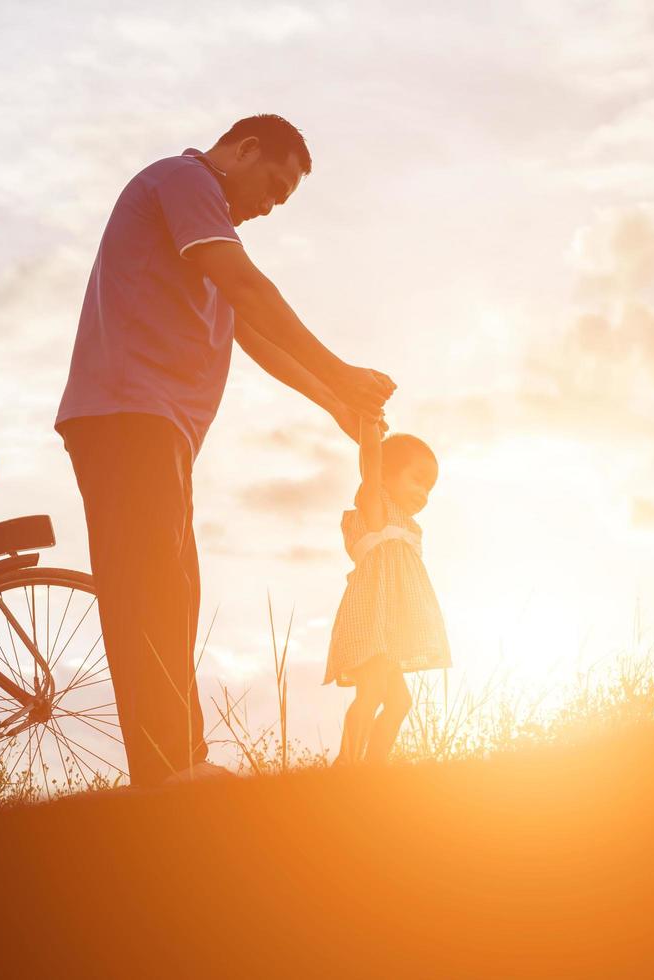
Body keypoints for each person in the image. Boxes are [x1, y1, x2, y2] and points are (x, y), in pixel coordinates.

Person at [55, 114, 395, 787]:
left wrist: (336, 403)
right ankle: (166, 772)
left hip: (155, 425)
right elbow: (249, 289)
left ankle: (179, 763)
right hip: (127, 412)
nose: (270, 206)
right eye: (273, 184)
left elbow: (254, 334)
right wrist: (343, 371)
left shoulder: (205, 230)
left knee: (173, 592)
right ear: (242, 150)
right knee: (150, 591)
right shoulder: (185, 181)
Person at [325, 417, 450, 765]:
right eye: (418, 480)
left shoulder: (407, 526)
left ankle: (371, 768)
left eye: (430, 489)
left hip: (390, 628)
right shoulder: (375, 510)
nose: (423, 494)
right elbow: (370, 466)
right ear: (384, 476)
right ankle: (346, 765)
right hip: (370, 621)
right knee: (372, 693)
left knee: (398, 702)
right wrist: (369, 427)